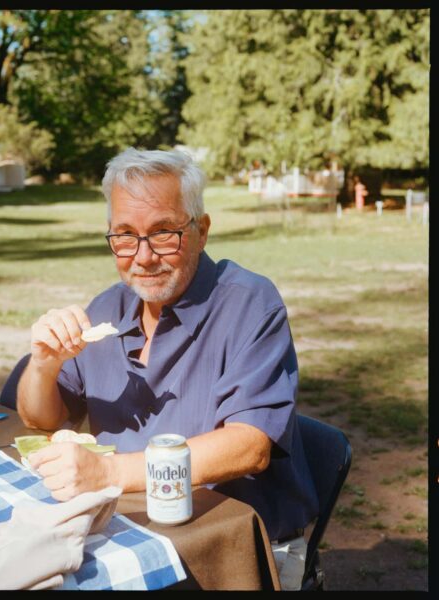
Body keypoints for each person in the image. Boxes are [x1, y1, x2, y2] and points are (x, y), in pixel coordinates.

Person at [17, 147, 318, 590]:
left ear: (202, 231)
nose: (143, 256)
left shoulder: (250, 304)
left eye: (163, 233)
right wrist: (42, 366)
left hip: (233, 546)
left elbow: (249, 445)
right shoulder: (108, 307)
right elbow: (41, 417)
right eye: (124, 235)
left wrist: (109, 473)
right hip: (128, 527)